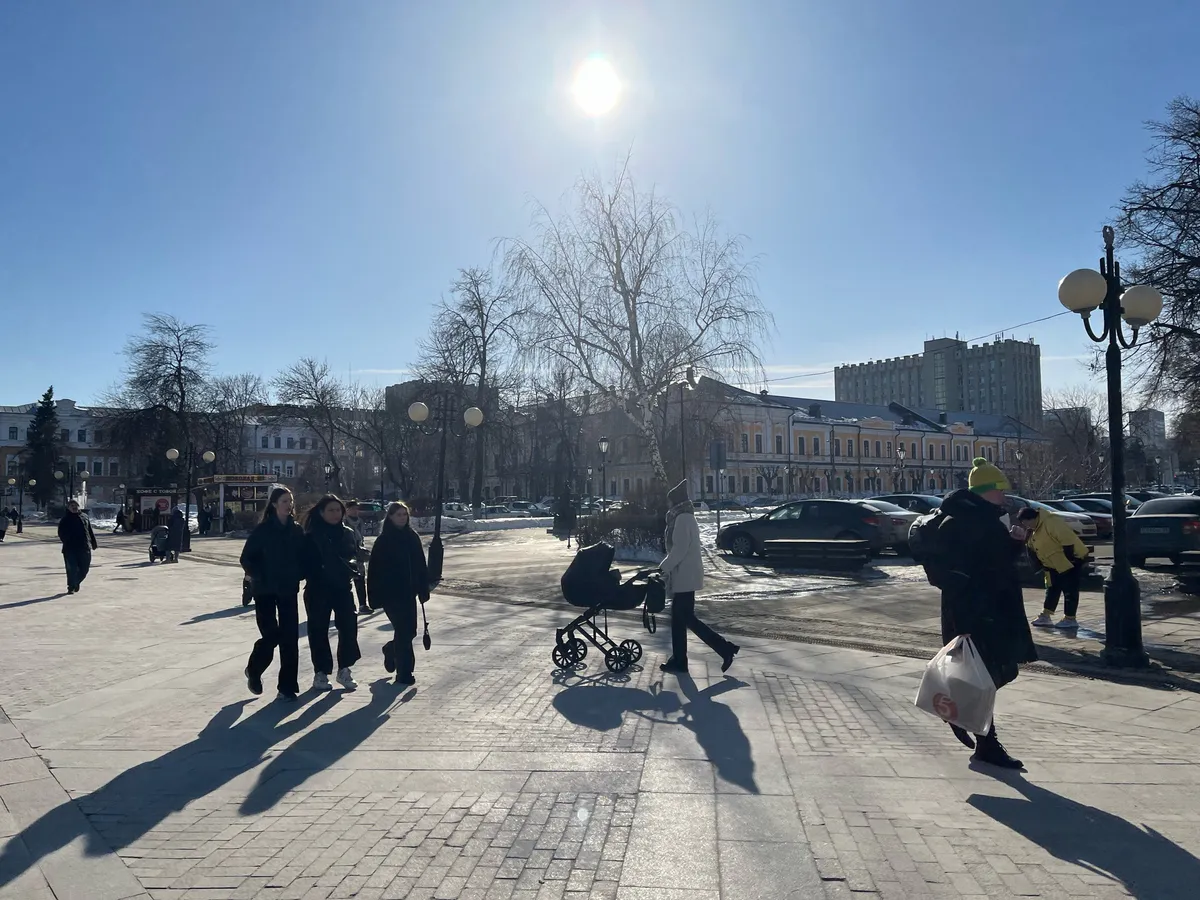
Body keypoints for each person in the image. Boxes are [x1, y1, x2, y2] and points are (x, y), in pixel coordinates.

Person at [930, 458, 1038, 769]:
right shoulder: (965, 522)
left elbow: (995, 564)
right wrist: (966, 617)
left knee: (994, 673)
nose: (1004, 495)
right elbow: (969, 571)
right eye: (1000, 489)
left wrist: (1015, 543)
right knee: (989, 674)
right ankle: (984, 741)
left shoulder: (982, 519)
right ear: (985, 491)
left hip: (990, 608)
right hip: (976, 613)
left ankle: (969, 722)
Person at [658, 480, 739, 675]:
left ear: (676, 501)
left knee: (686, 619)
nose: (668, 504)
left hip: (685, 576)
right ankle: (680, 660)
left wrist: (663, 568)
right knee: (680, 620)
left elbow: (679, 549)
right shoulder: (685, 517)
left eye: (670, 501)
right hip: (686, 576)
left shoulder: (683, 519)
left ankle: (724, 649)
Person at [239, 487, 306, 702]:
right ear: (275, 504)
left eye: (290, 501)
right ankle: (254, 669)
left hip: (288, 589)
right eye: (284, 501)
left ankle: (287, 687)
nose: (289, 505)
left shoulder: (296, 530)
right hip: (265, 590)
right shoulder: (263, 530)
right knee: (271, 635)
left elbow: (304, 556)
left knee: (289, 638)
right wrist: (259, 575)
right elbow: (246, 558)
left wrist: (300, 573)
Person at [301, 494, 361, 692]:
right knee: (318, 631)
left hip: (342, 588)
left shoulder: (348, 533)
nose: (336, 514)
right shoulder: (311, 535)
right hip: (318, 588)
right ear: (321, 513)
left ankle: (345, 669)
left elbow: (354, 553)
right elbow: (303, 562)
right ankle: (321, 672)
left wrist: (355, 564)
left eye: (338, 510)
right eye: (331, 510)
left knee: (349, 627)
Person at [367, 502, 430, 685]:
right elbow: (374, 570)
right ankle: (404, 673)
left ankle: (391, 649)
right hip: (390, 595)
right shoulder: (384, 540)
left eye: (404, 514)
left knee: (410, 632)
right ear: (390, 517)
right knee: (403, 631)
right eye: (398, 515)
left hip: (409, 593)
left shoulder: (412, 537)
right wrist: (374, 597)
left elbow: (420, 565)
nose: (402, 518)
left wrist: (423, 589)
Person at [1017, 507, 1090, 629]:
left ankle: (1070, 618)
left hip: (1070, 561)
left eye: (1025, 522)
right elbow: (1032, 547)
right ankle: (1046, 615)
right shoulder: (1034, 530)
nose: (1025, 526)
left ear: (1032, 518)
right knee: (1051, 589)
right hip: (1051, 565)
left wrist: (1071, 560)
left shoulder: (1051, 521)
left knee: (1069, 590)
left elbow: (1067, 540)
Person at [57, 499, 98, 594]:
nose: (74, 507)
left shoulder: (84, 517)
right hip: (70, 549)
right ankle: (71, 587)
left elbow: (89, 530)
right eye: (72, 506)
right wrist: (67, 540)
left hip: (84, 547)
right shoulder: (65, 519)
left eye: (75, 505)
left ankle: (76, 582)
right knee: (72, 568)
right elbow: (61, 533)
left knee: (84, 569)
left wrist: (93, 542)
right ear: (68, 508)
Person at [344, 500, 371, 615]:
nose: (355, 511)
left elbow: (362, 537)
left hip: (359, 553)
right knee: (347, 581)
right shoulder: (344, 522)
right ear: (347, 510)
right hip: (348, 554)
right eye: (352, 509)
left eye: (356, 509)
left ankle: (363, 604)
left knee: (360, 580)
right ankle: (347, 606)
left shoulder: (360, 522)